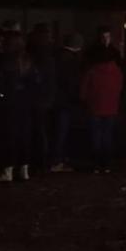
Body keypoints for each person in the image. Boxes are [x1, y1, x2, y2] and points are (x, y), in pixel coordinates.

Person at [0, 31, 35, 182]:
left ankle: (7, 170)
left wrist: (0, 95)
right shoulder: (27, 59)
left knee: (9, 136)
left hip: (9, 103)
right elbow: (34, 81)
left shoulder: (6, 60)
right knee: (23, 135)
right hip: (25, 102)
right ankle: (24, 169)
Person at [82, 28, 123, 173]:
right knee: (107, 135)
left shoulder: (92, 70)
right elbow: (119, 87)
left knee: (96, 135)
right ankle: (106, 164)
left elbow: (84, 89)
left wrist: (85, 100)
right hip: (111, 107)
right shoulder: (116, 70)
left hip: (94, 106)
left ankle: (96, 163)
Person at [51, 33, 84, 172]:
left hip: (57, 100)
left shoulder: (57, 56)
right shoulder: (71, 61)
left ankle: (57, 159)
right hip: (65, 101)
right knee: (61, 132)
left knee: (58, 131)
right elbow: (71, 82)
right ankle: (57, 160)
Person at [28, 23, 56, 172]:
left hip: (38, 97)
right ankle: (42, 160)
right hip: (45, 97)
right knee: (43, 130)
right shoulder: (49, 53)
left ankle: (40, 161)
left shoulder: (36, 53)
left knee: (38, 130)